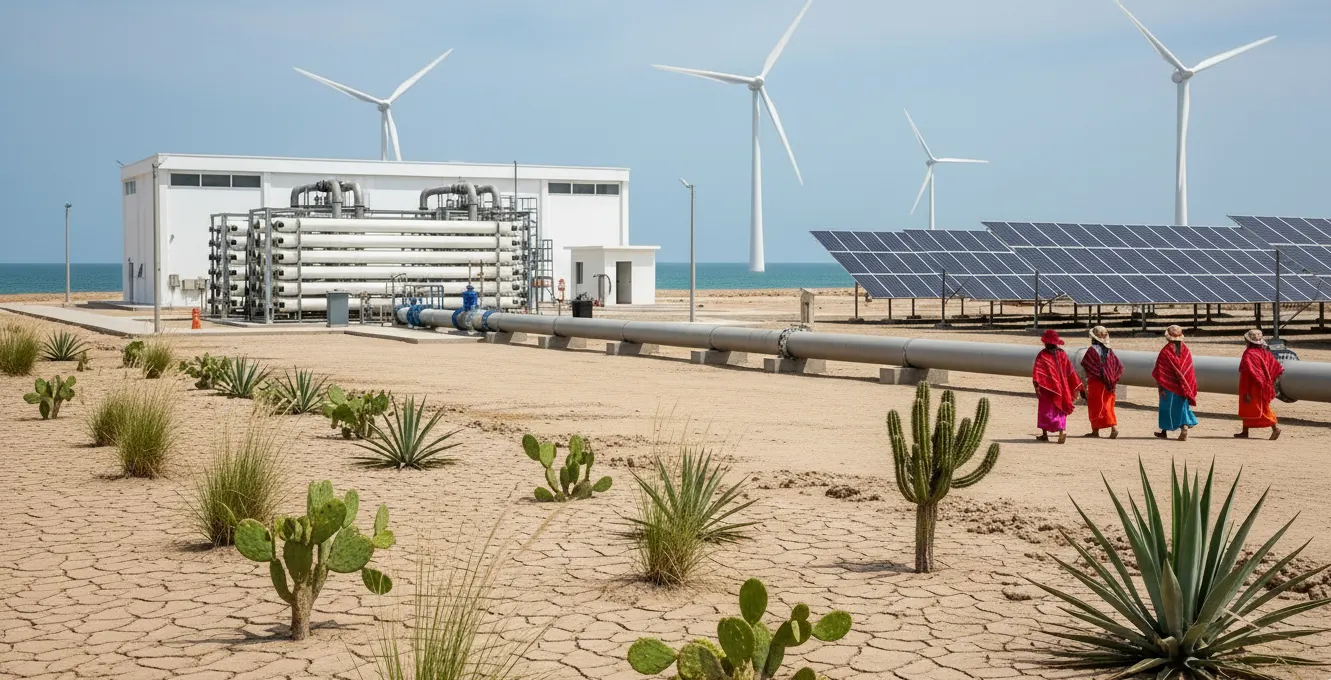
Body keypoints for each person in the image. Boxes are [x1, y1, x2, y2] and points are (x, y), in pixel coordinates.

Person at [1032, 329, 1082, 444]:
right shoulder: (1062, 354)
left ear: (1045, 342)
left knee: (1046, 409)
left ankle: (1045, 434)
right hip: (1062, 387)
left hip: (1047, 387)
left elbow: (1037, 371)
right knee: (1060, 408)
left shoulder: (1043, 354)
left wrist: (1036, 384)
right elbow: (1070, 371)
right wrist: (1077, 385)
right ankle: (1062, 431)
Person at [1152, 325, 1199, 441]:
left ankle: (1180, 428)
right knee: (1181, 407)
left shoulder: (1166, 351)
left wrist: (1160, 385)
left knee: (1166, 408)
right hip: (1182, 387)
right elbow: (1189, 370)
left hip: (1168, 386)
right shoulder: (1186, 351)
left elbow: (1160, 369)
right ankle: (1173, 429)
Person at [1236, 329, 1283, 440]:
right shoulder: (1265, 353)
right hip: (1262, 385)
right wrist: (1268, 381)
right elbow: (1276, 367)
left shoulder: (1249, 354)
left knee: (1260, 409)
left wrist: (1247, 391)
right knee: (1251, 408)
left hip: (1250, 386)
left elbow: (1247, 372)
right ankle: (1244, 431)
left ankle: (1275, 428)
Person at [1080, 326, 1122, 439]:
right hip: (1109, 383)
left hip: (1095, 382)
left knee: (1095, 406)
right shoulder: (1109, 351)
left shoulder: (1092, 350)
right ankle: (1113, 428)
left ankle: (1096, 431)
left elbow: (1087, 365)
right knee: (1108, 405)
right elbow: (1118, 366)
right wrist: (1111, 378)